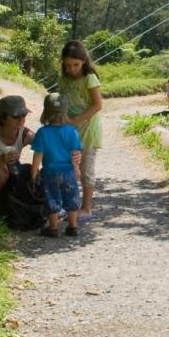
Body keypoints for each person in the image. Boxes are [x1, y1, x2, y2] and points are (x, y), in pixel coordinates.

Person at [58, 40, 102, 219]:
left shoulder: (90, 78)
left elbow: (97, 105)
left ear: (84, 61)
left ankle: (86, 208)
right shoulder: (63, 80)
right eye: (67, 65)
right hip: (68, 133)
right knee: (66, 168)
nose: (72, 69)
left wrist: (75, 119)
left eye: (75, 65)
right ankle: (66, 205)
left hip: (88, 132)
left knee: (86, 171)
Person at [30, 93, 82, 237]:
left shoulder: (42, 132)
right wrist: (77, 169)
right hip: (68, 172)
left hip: (50, 172)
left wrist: (34, 172)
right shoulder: (71, 131)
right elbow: (75, 154)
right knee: (71, 197)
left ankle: (53, 228)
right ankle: (73, 227)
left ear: (45, 112)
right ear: (65, 112)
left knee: (52, 198)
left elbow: (38, 154)